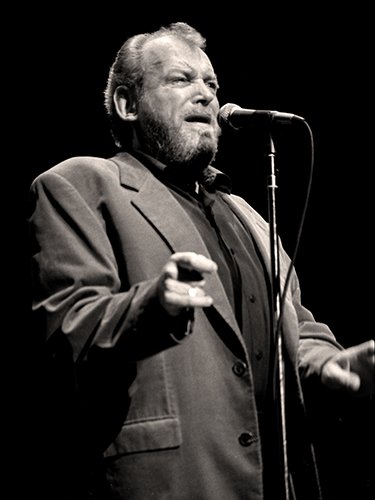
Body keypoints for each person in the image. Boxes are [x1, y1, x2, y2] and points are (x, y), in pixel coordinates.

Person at [28, 22, 374, 500]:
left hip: (278, 480)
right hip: (175, 480)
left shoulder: (246, 212)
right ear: (128, 104)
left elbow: (296, 325)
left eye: (212, 84)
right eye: (181, 79)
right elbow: (66, 330)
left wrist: (328, 366)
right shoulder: (83, 186)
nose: (206, 96)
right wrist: (151, 305)